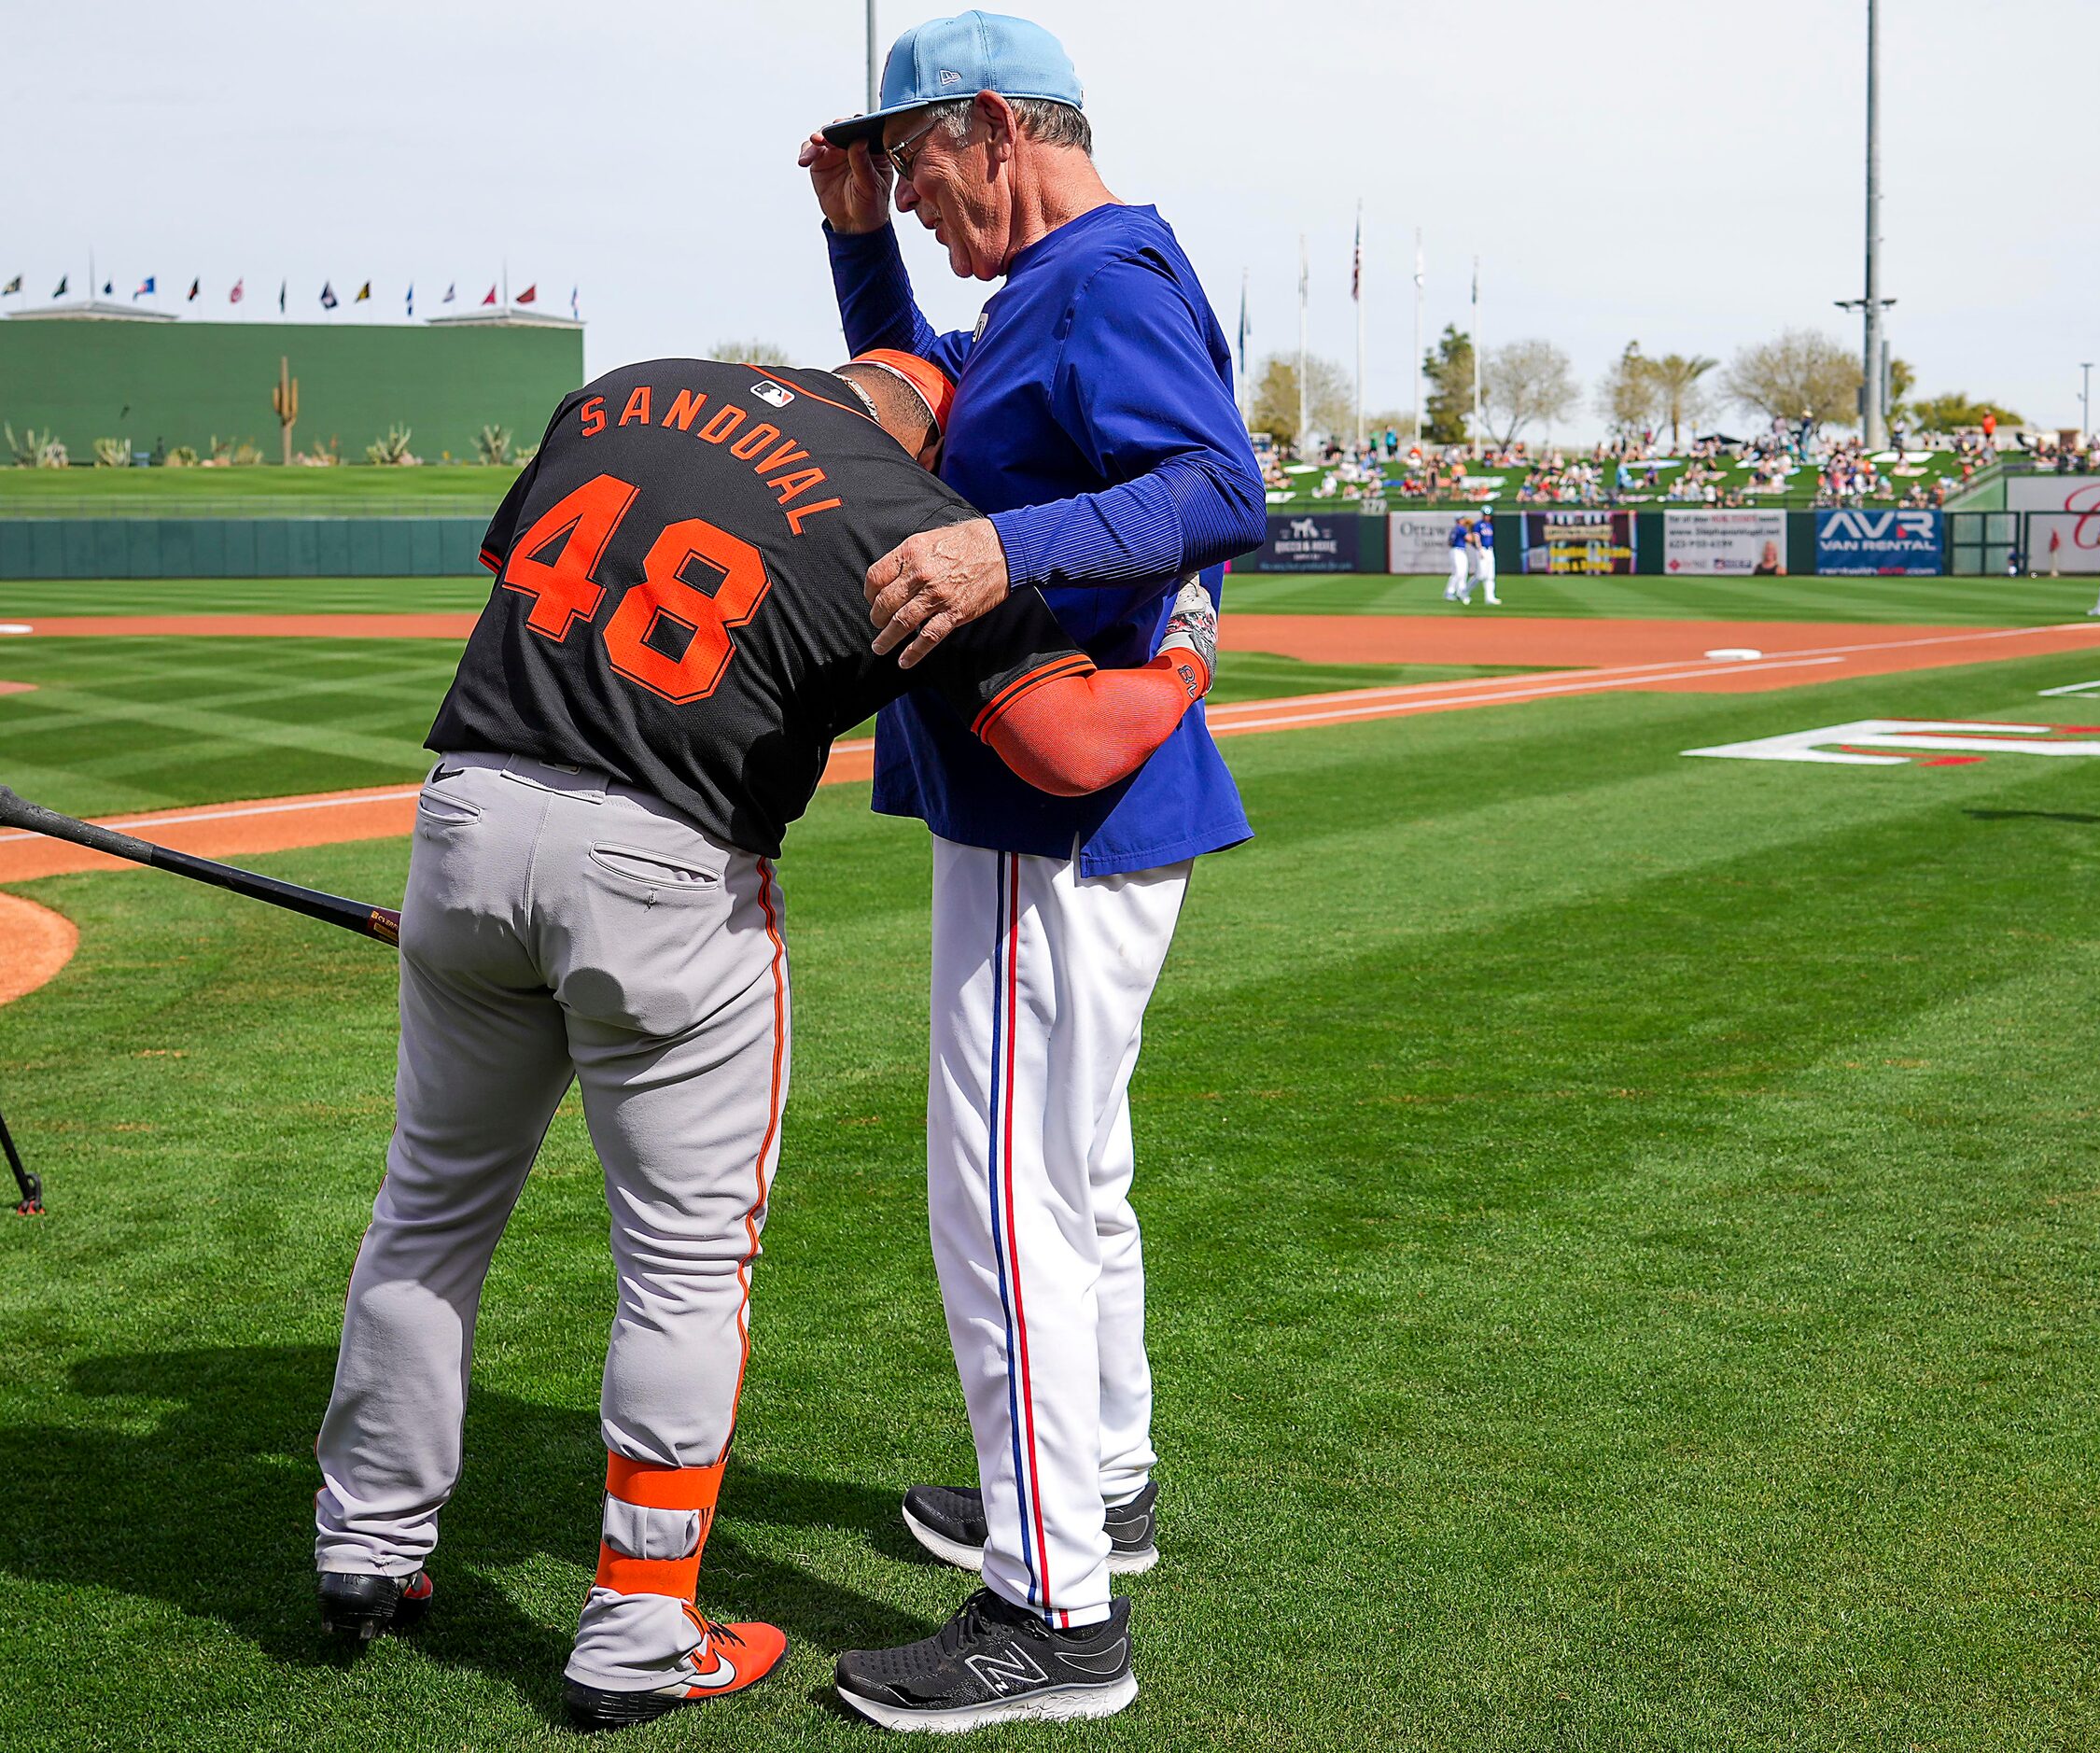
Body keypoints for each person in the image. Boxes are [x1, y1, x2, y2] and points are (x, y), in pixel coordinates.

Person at [310, 348, 1219, 1731]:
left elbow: (517, 561)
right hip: (670, 867)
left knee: (426, 1212)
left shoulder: (625, 386)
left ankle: (366, 1547)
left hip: (469, 812)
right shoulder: (909, 513)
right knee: (682, 1263)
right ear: (934, 437)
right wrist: (1182, 660)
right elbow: (1070, 746)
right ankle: (637, 1625)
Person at [797, 11, 1263, 1730]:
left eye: (918, 165)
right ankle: (1105, 1488)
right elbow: (918, 421)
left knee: (1005, 1207)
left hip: (1048, 817)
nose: (916, 200)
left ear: (999, 125)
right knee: (1073, 1177)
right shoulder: (1056, 283)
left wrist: (1007, 542)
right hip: (1083, 815)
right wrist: (854, 242)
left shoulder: (1098, 279)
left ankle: (1053, 1614)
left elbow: (1221, 486)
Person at [1446, 511, 1475, 604]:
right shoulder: (1461, 528)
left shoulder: (1456, 529)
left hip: (1457, 551)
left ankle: (1460, 592)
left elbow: (1450, 542)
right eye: (1463, 519)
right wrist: (1471, 529)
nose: (1464, 520)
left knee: (1462, 573)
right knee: (1459, 573)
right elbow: (1470, 539)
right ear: (1459, 520)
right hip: (1458, 551)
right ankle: (1450, 592)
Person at [1474, 505, 1500, 604]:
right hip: (1483, 550)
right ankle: (1465, 592)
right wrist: (1479, 549)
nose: (1487, 517)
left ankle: (1490, 598)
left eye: (1489, 515)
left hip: (1490, 550)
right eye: (1485, 515)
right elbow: (1476, 538)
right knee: (1481, 575)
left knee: (1490, 575)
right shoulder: (1478, 525)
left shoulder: (1490, 525)